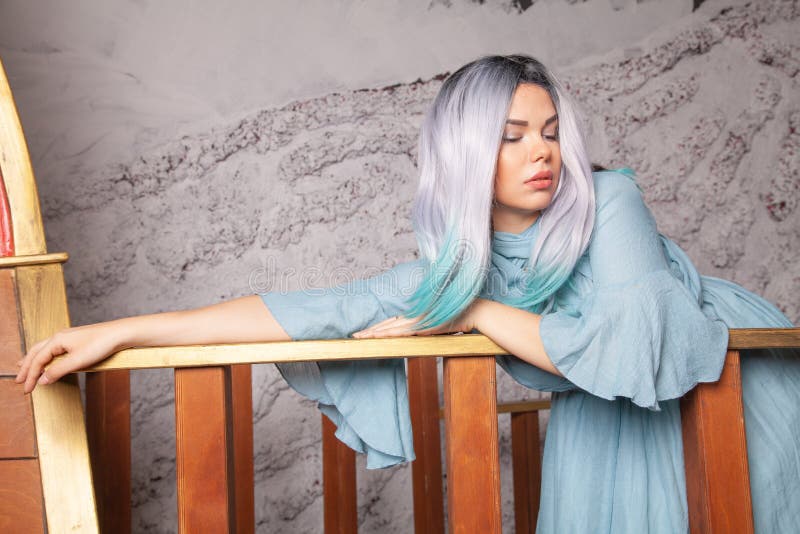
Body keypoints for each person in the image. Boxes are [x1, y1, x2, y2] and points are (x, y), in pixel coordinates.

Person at [15, 55, 800, 533]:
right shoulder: (461, 262)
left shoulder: (609, 201)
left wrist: (478, 313)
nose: (543, 153)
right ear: (465, 153)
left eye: (551, 130)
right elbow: (310, 309)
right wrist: (118, 332)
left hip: (719, 387)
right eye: (512, 134)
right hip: (609, 413)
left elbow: (638, 342)